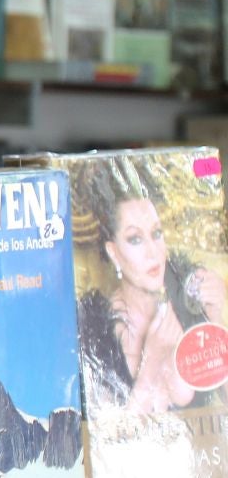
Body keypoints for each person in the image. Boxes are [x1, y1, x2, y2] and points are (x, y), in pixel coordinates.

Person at [79, 178, 227, 416]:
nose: (153, 252)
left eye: (157, 234)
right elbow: (106, 445)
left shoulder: (188, 303)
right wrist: (150, 366)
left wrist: (214, 321)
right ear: (113, 252)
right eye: (135, 239)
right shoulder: (95, 333)